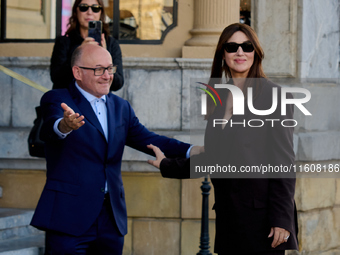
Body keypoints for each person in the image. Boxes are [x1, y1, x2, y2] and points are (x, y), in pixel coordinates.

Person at [147, 23, 299, 255]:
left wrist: (281, 219)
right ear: (223, 54)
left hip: (263, 222)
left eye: (246, 46)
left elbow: (284, 162)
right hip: (229, 217)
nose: (240, 52)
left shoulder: (274, 97)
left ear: (255, 52)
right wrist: (167, 164)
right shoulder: (218, 98)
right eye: (232, 46)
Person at [30, 44, 191, 254]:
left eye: (110, 69)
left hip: (111, 219)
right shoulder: (57, 98)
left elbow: (149, 139)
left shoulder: (120, 106)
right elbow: (51, 128)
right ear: (77, 72)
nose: (107, 76)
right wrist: (64, 126)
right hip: (69, 217)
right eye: (98, 69)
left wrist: (192, 150)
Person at [50, 0, 124, 91]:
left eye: (95, 8)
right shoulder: (64, 42)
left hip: (98, 100)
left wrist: (104, 56)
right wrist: (79, 53)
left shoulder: (110, 43)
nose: (89, 12)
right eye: (83, 8)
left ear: (101, 13)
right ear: (76, 12)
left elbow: (118, 83)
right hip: (68, 98)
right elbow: (57, 78)